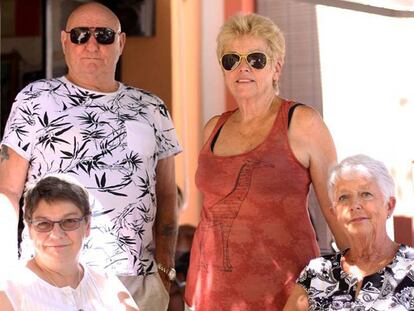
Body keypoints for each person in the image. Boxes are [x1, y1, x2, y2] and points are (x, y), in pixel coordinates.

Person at [0, 2, 181, 310]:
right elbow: (8, 191)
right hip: (50, 277)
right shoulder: (34, 100)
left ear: (121, 42)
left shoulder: (152, 108)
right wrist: (5, 272)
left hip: (133, 279)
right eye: (81, 35)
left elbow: (166, 195)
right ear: (65, 41)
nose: (92, 45)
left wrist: (164, 269)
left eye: (104, 35)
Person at [184, 13, 347, 310]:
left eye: (256, 59)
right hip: (208, 293)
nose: (242, 68)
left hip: (284, 293)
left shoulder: (301, 123)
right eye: (231, 59)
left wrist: (362, 278)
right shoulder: (213, 128)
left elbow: (336, 208)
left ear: (276, 67)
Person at [284, 154, 414, 310]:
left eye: (366, 194)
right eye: (344, 198)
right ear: (334, 214)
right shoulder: (317, 273)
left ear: (389, 206)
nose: (354, 205)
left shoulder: (410, 267)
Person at [0, 175, 139, 310]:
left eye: (69, 221)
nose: (56, 234)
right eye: (43, 223)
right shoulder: (10, 291)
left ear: (87, 225)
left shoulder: (108, 285)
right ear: (29, 229)